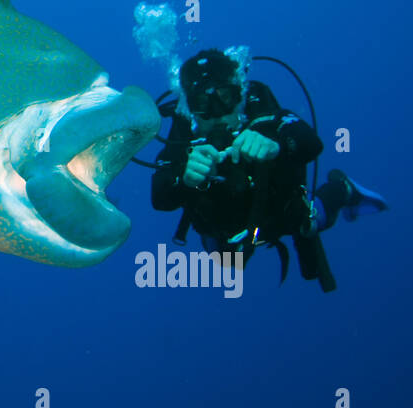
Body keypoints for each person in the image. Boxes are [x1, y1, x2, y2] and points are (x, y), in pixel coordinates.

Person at [150, 48, 388, 290]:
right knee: (227, 260)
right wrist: (185, 179)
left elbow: (311, 143)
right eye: (202, 103)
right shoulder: (183, 137)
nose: (217, 113)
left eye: (225, 97)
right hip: (226, 231)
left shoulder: (262, 113)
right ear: (189, 108)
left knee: (308, 224)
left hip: (282, 214)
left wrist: (277, 146)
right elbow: (159, 197)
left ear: (239, 94)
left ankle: (343, 189)